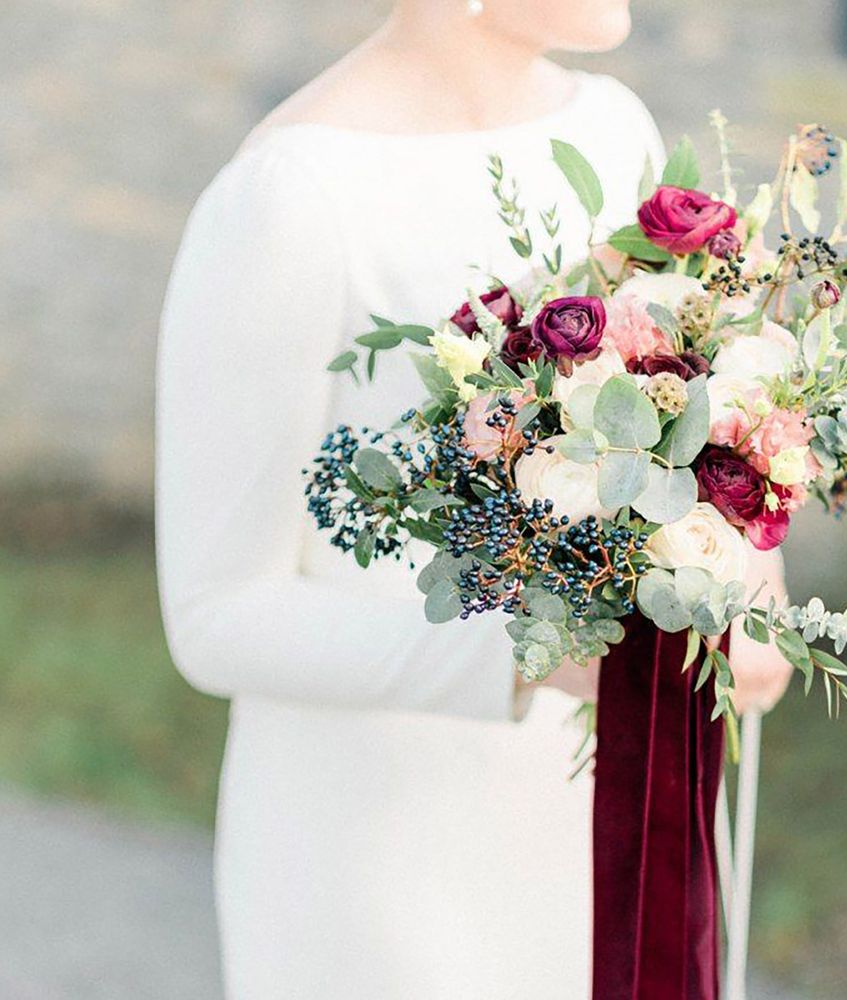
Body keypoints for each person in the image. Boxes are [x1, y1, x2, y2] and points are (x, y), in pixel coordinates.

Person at [156, 1, 791, 996]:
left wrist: (744, 566)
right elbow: (214, 614)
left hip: (597, 806)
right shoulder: (288, 200)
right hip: (383, 858)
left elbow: (687, 411)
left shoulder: (611, 126)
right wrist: (542, 661)